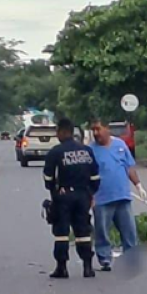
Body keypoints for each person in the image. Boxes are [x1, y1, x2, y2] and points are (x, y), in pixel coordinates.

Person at [43, 118, 101, 279]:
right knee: (83, 231)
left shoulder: (55, 152)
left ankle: (62, 268)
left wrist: (55, 194)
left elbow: (48, 179)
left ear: (62, 132)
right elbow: (95, 177)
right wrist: (89, 194)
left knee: (61, 232)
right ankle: (88, 267)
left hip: (64, 197)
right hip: (83, 196)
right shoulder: (86, 151)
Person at [89, 118, 147, 272]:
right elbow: (86, 175)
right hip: (101, 198)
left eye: (98, 129)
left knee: (129, 230)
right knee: (102, 231)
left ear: (107, 129)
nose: (95, 133)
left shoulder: (120, 145)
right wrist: (89, 196)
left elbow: (129, 167)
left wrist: (138, 185)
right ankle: (105, 259)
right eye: (93, 130)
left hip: (122, 196)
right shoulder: (90, 150)